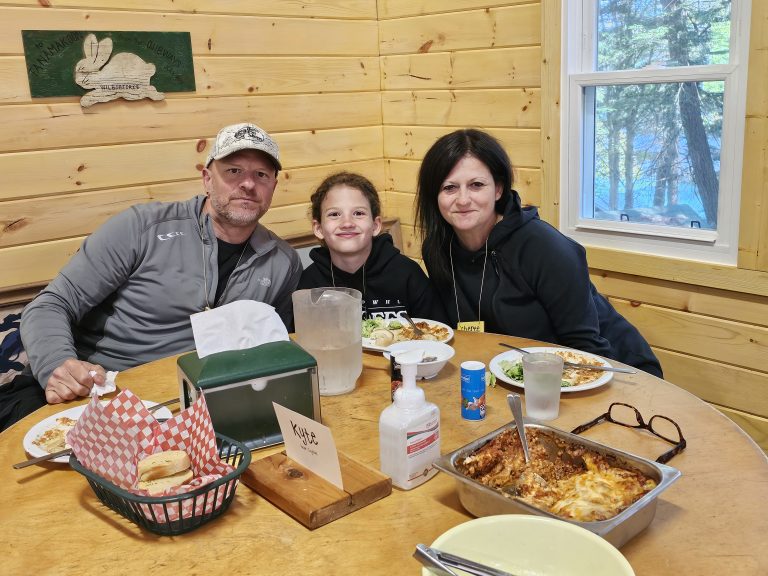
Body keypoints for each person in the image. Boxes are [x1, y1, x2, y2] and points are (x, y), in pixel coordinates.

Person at [15, 122, 302, 415]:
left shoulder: (283, 262)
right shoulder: (141, 227)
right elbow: (51, 304)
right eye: (233, 171)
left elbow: (274, 348)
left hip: (210, 403)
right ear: (207, 179)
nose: (248, 184)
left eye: (261, 175)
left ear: (273, 187)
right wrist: (56, 364)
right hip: (108, 395)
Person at [415, 128, 663, 377]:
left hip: (616, 372)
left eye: (476, 185)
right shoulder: (437, 249)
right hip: (519, 376)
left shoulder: (544, 247)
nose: (463, 199)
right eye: (449, 188)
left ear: (498, 189)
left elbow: (587, 349)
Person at [298, 171, 447, 323]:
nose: (347, 223)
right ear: (319, 228)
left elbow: (436, 332)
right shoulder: (309, 284)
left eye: (358, 213)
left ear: (375, 226)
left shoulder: (408, 274)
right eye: (334, 214)